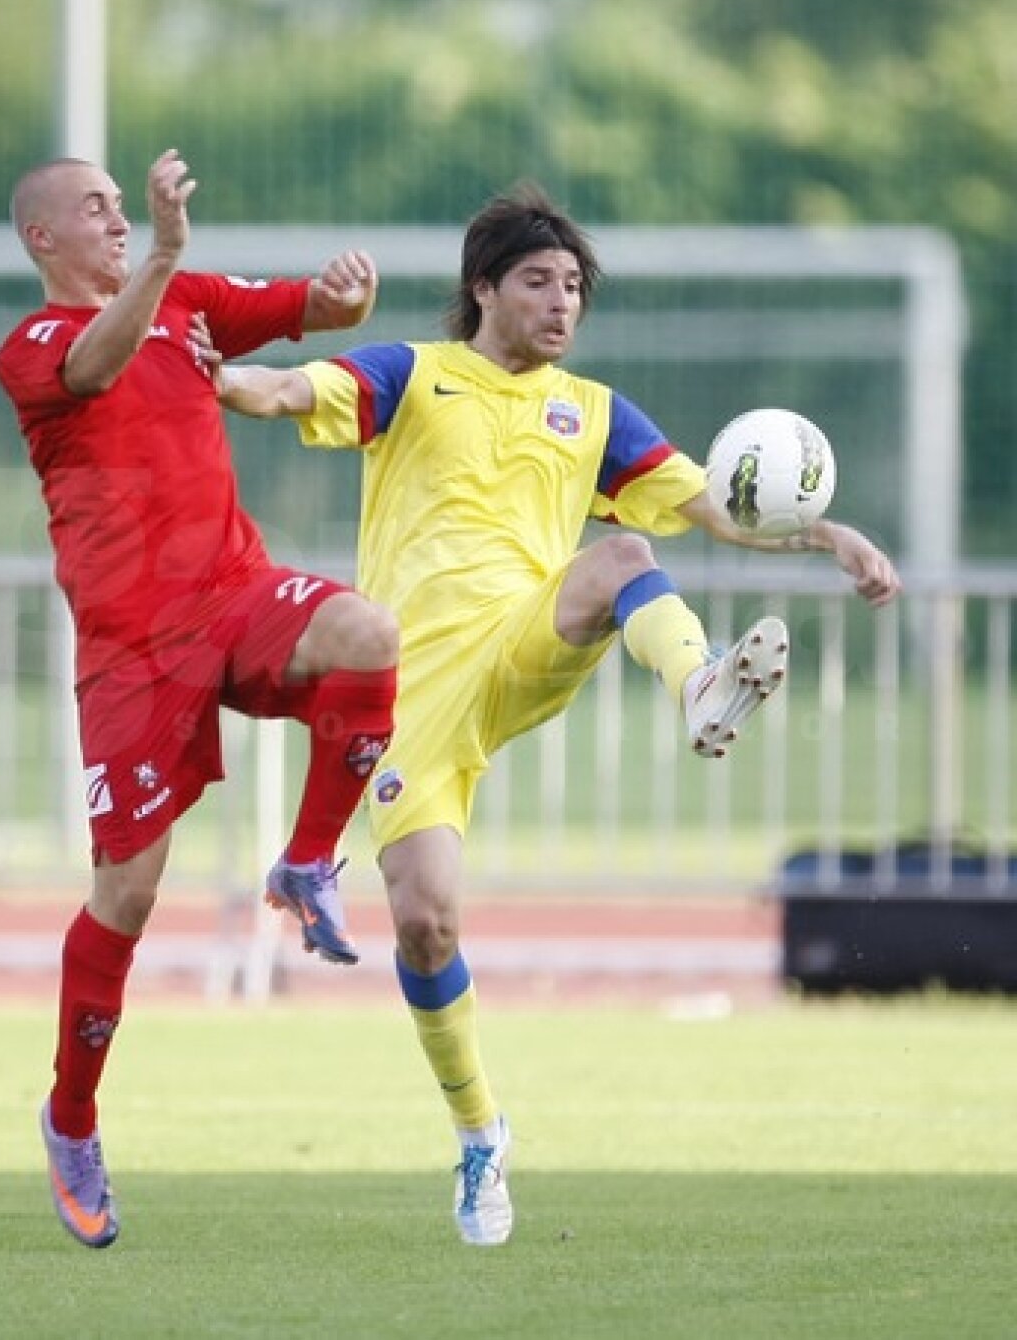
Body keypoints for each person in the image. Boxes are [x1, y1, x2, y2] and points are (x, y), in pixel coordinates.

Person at [217, 183, 902, 1247]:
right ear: (482, 287)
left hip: (528, 635)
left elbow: (715, 504)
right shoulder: (414, 374)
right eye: (539, 280)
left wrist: (833, 535)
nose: (562, 301)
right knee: (425, 918)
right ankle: (482, 1132)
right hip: (410, 694)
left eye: (574, 285)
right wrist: (208, 374)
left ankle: (701, 687)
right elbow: (288, 393)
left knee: (625, 553)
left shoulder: (594, 412)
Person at [0, 148, 399, 1249]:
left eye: (126, 208)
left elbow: (301, 307)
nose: (119, 221)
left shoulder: (186, 300)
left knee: (367, 632)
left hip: (233, 594)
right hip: (130, 650)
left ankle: (308, 860)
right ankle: (71, 1117)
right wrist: (168, 254)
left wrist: (341, 295)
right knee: (127, 897)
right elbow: (91, 365)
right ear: (43, 239)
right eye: (97, 209)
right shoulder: (32, 346)